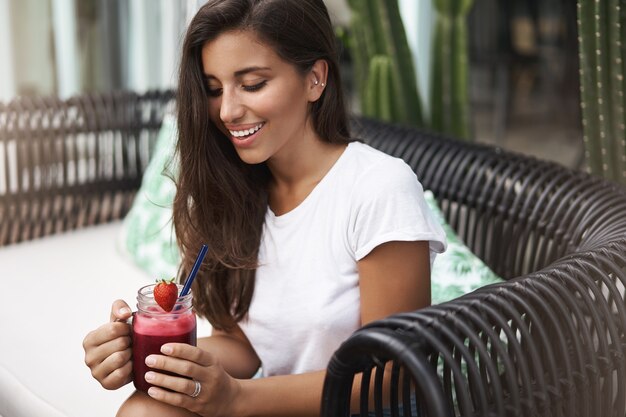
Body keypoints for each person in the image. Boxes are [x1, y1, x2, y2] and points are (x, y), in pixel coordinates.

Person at [82, 0, 446, 415]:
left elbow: (392, 375)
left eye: (252, 84)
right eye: (214, 89)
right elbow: (244, 346)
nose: (227, 111)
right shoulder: (236, 191)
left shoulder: (378, 188)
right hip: (270, 406)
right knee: (143, 409)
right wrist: (149, 354)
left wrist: (237, 399)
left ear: (315, 79)